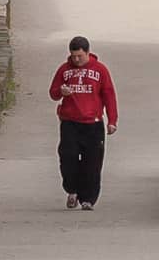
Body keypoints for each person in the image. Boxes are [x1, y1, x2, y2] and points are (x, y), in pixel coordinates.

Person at [49, 36, 117, 210]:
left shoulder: (100, 70)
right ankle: (72, 190)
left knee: (92, 163)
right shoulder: (64, 70)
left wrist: (112, 120)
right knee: (68, 157)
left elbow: (109, 95)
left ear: (87, 53)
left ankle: (88, 199)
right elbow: (53, 93)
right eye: (73, 56)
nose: (76, 60)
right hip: (70, 122)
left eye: (80, 56)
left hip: (93, 124)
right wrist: (61, 91)